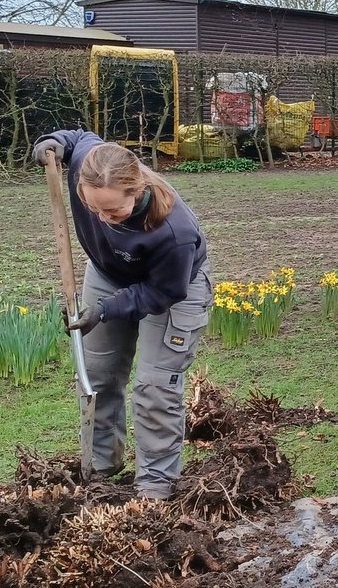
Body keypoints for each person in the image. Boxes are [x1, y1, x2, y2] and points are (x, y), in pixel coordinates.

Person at [33, 130, 212, 500]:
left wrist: (106, 309)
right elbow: (78, 136)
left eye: (114, 210)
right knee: (97, 373)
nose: (103, 218)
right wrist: (54, 142)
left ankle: (156, 483)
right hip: (107, 272)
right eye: (93, 207)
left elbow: (164, 292)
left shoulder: (173, 232)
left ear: (138, 188)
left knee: (154, 385)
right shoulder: (90, 162)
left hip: (171, 289)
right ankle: (99, 467)